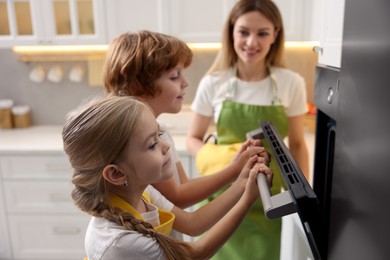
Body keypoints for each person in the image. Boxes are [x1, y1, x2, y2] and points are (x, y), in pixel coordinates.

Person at [103, 30, 269, 239]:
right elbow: (180, 197)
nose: (185, 82)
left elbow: (184, 186)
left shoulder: (159, 130)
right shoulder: (140, 143)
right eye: (174, 76)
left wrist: (234, 169)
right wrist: (235, 172)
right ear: (139, 87)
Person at [62, 95, 273, 259]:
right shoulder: (120, 243)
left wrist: (241, 183)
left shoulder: (143, 193)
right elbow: (194, 254)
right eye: (152, 144)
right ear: (116, 173)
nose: (165, 147)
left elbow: (194, 223)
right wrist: (247, 199)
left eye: (159, 135)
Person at [186, 0, 309, 259]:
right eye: (244, 32)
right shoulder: (214, 82)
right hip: (222, 202)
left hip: (269, 205)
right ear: (232, 32)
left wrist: (302, 199)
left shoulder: (291, 84)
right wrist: (223, 157)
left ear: (275, 35)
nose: (251, 42)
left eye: (262, 33)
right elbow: (192, 139)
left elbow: (297, 144)